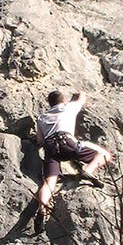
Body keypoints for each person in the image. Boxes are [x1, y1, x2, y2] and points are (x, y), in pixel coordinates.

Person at [34, 90, 111, 233]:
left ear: (49, 104)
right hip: (67, 142)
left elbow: (39, 140)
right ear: (63, 101)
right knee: (104, 154)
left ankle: (42, 209)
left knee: (49, 182)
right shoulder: (68, 107)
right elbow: (82, 98)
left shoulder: (42, 117)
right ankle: (87, 172)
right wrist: (78, 94)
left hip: (50, 147)